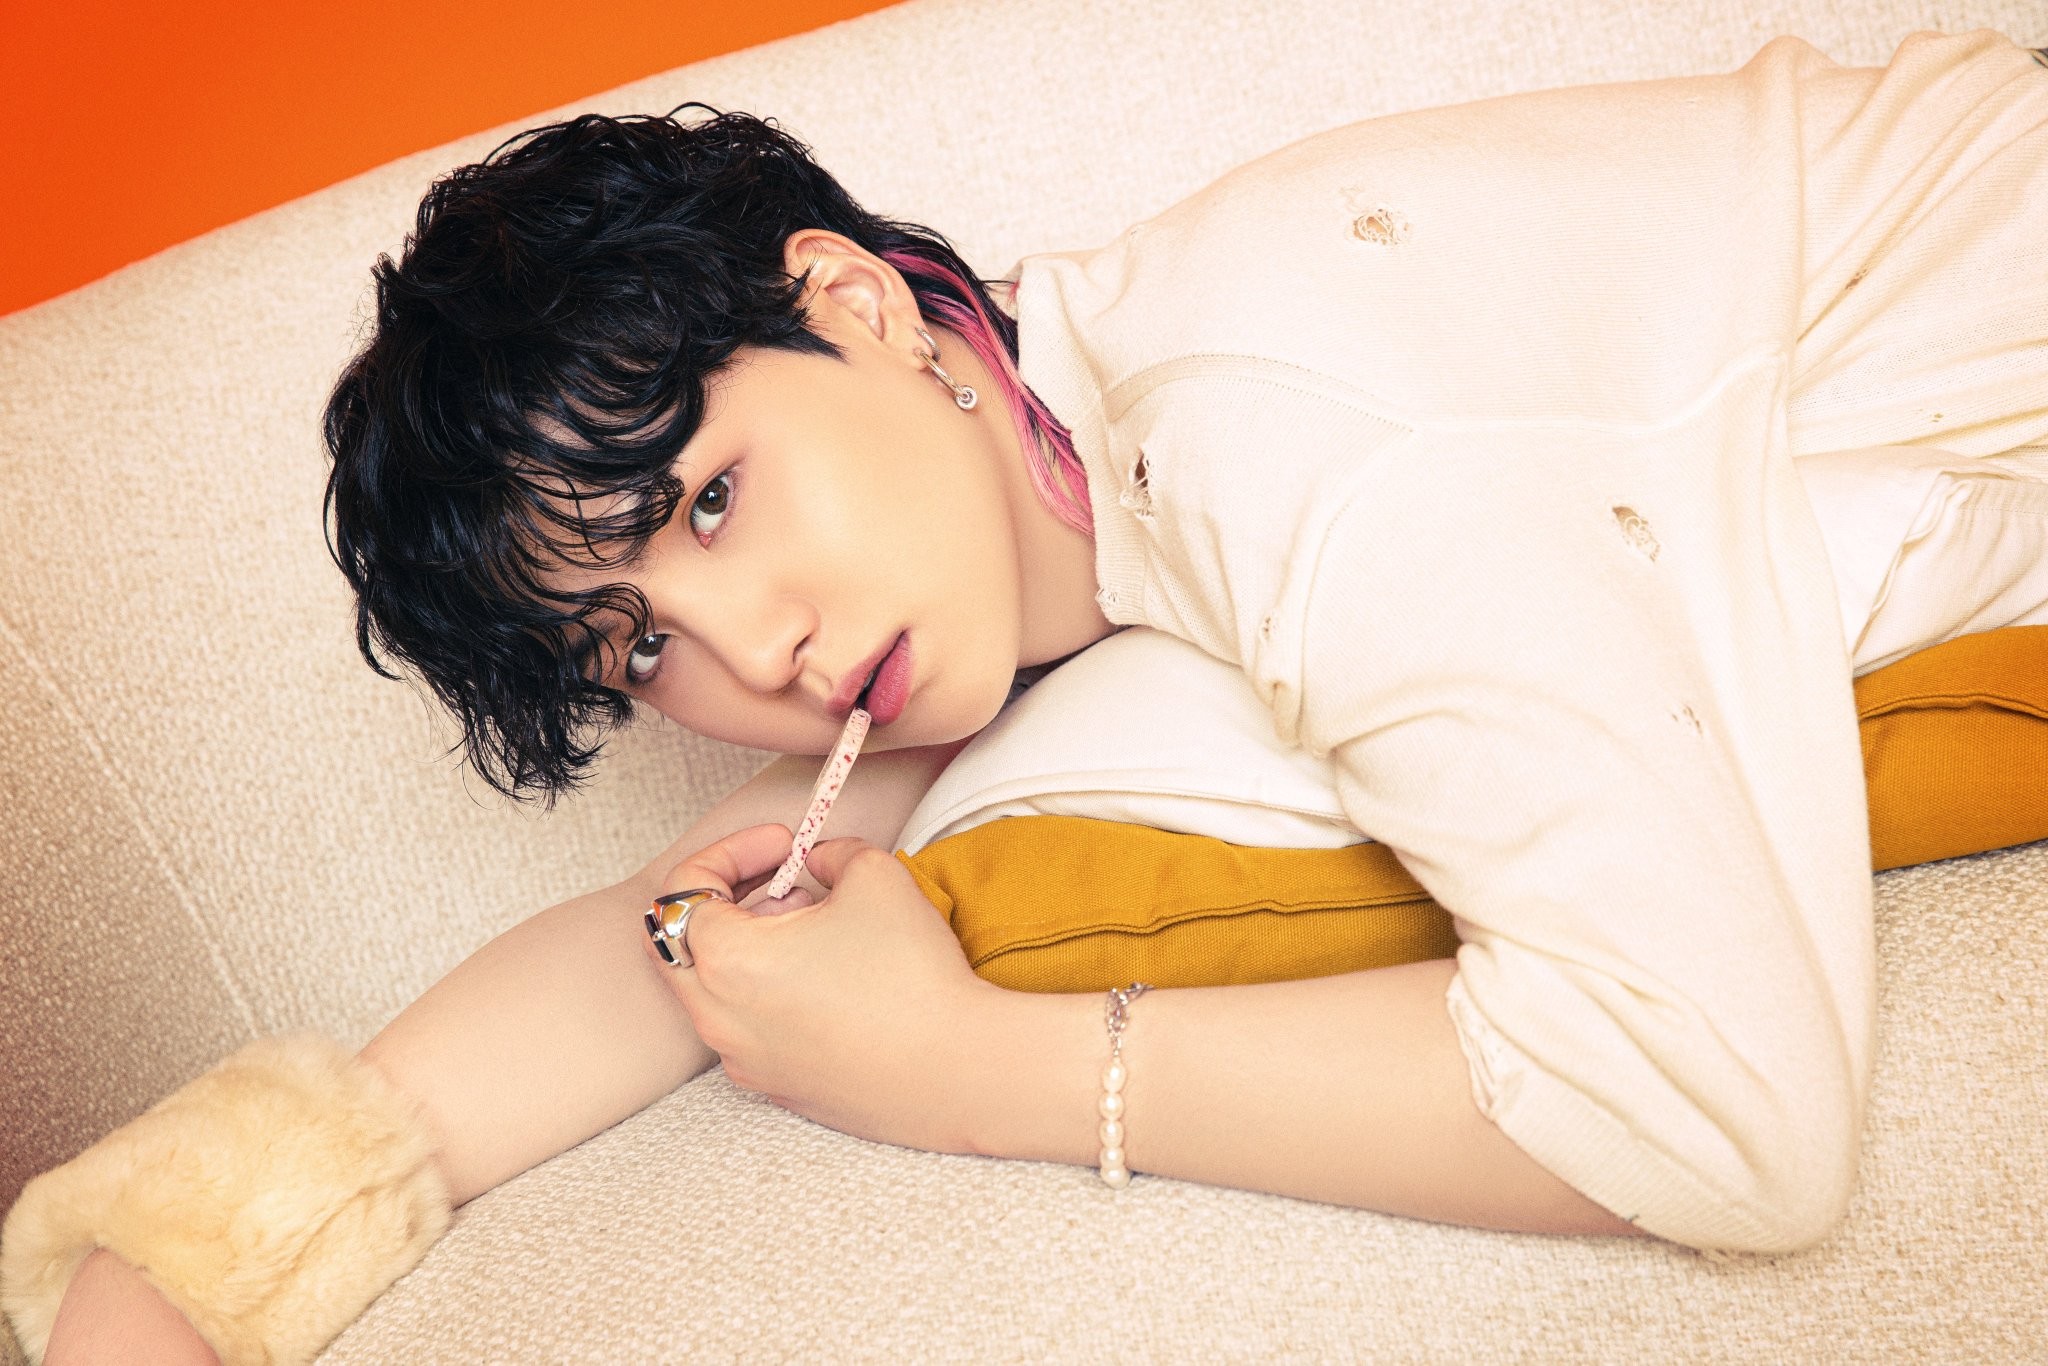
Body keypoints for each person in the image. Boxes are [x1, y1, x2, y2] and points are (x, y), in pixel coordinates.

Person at [22, 26, 2048, 1364]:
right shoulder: (1020, 503)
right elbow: (695, 930)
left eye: (711, 498)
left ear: (853, 302)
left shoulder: (1285, 428)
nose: (748, 649)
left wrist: (978, 1071)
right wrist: (181, 1259)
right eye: (634, 641)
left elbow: (1722, 1114)